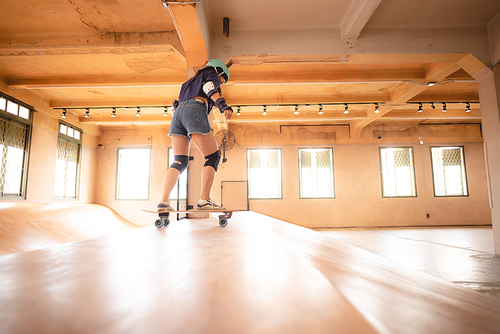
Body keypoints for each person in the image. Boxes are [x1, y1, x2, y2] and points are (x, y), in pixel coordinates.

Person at [158, 59, 233, 212]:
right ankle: (204, 200)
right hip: (195, 109)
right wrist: (222, 105)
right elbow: (208, 87)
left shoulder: (187, 83)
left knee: (180, 161)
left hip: (177, 115)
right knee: (213, 157)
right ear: (218, 71)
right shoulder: (210, 72)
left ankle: (163, 202)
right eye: (222, 79)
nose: (221, 83)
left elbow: (175, 106)